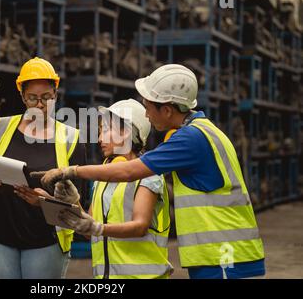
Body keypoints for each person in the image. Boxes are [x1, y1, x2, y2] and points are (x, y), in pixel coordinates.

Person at [32, 64, 266, 279]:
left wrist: (72, 170)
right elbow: (92, 224)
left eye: (148, 107)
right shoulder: (199, 132)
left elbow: (130, 173)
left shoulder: (190, 138)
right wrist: (73, 205)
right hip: (216, 254)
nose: (146, 114)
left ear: (166, 110)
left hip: (225, 254)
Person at [0, 57, 88, 279]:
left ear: (56, 94)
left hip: (46, 242)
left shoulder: (71, 138)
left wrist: (43, 202)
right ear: (22, 96)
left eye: (46, 98)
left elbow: (77, 206)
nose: (40, 105)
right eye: (33, 98)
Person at [52, 99, 173, 279]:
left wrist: (98, 228)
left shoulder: (148, 175)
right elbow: (89, 230)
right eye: (101, 131)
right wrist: (73, 202)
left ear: (127, 133)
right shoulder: (103, 177)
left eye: (107, 130)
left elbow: (139, 227)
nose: (100, 138)